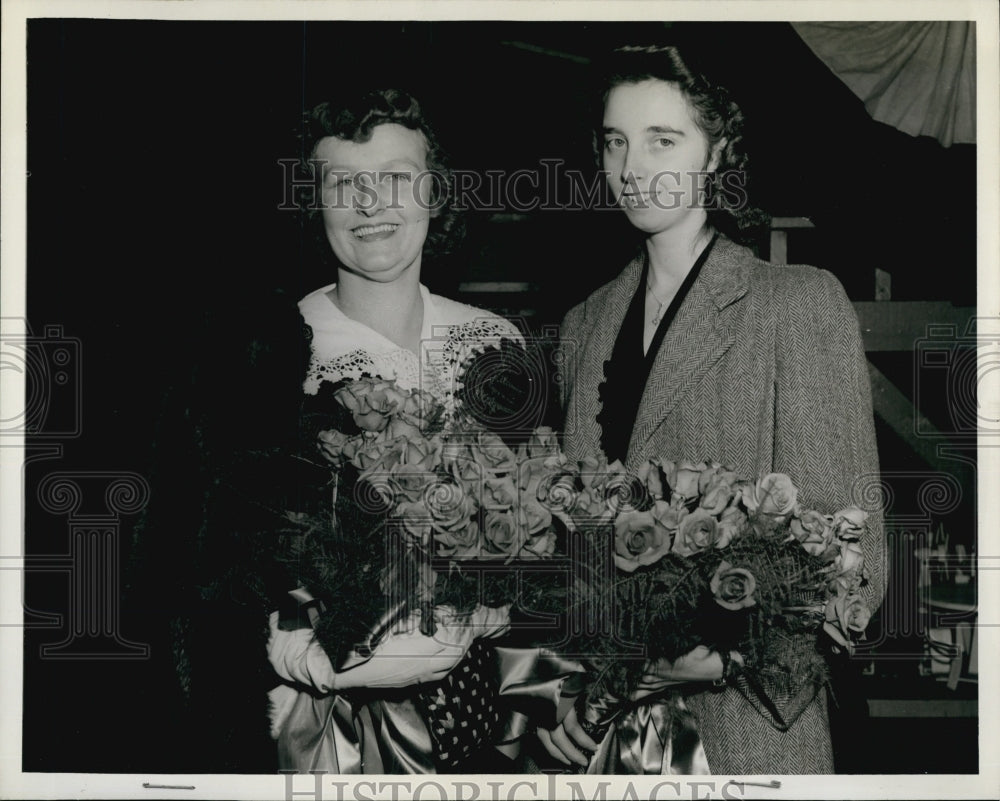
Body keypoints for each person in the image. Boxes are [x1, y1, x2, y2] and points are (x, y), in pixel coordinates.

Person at [544, 45, 885, 774]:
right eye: (615, 142)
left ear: (718, 152)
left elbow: (856, 561)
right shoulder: (582, 324)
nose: (633, 167)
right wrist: (566, 692)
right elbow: (571, 560)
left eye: (663, 141)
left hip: (746, 734)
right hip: (604, 738)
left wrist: (722, 653)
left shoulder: (797, 304)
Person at [265, 88, 525, 774]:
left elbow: (538, 543)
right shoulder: (273, 353)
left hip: (485, 728)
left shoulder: (496, 344)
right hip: (331, 734)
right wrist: (310, 650)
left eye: (396, 177)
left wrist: (492, 615)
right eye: (342, 183)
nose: (370, 203)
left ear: (435, 192)